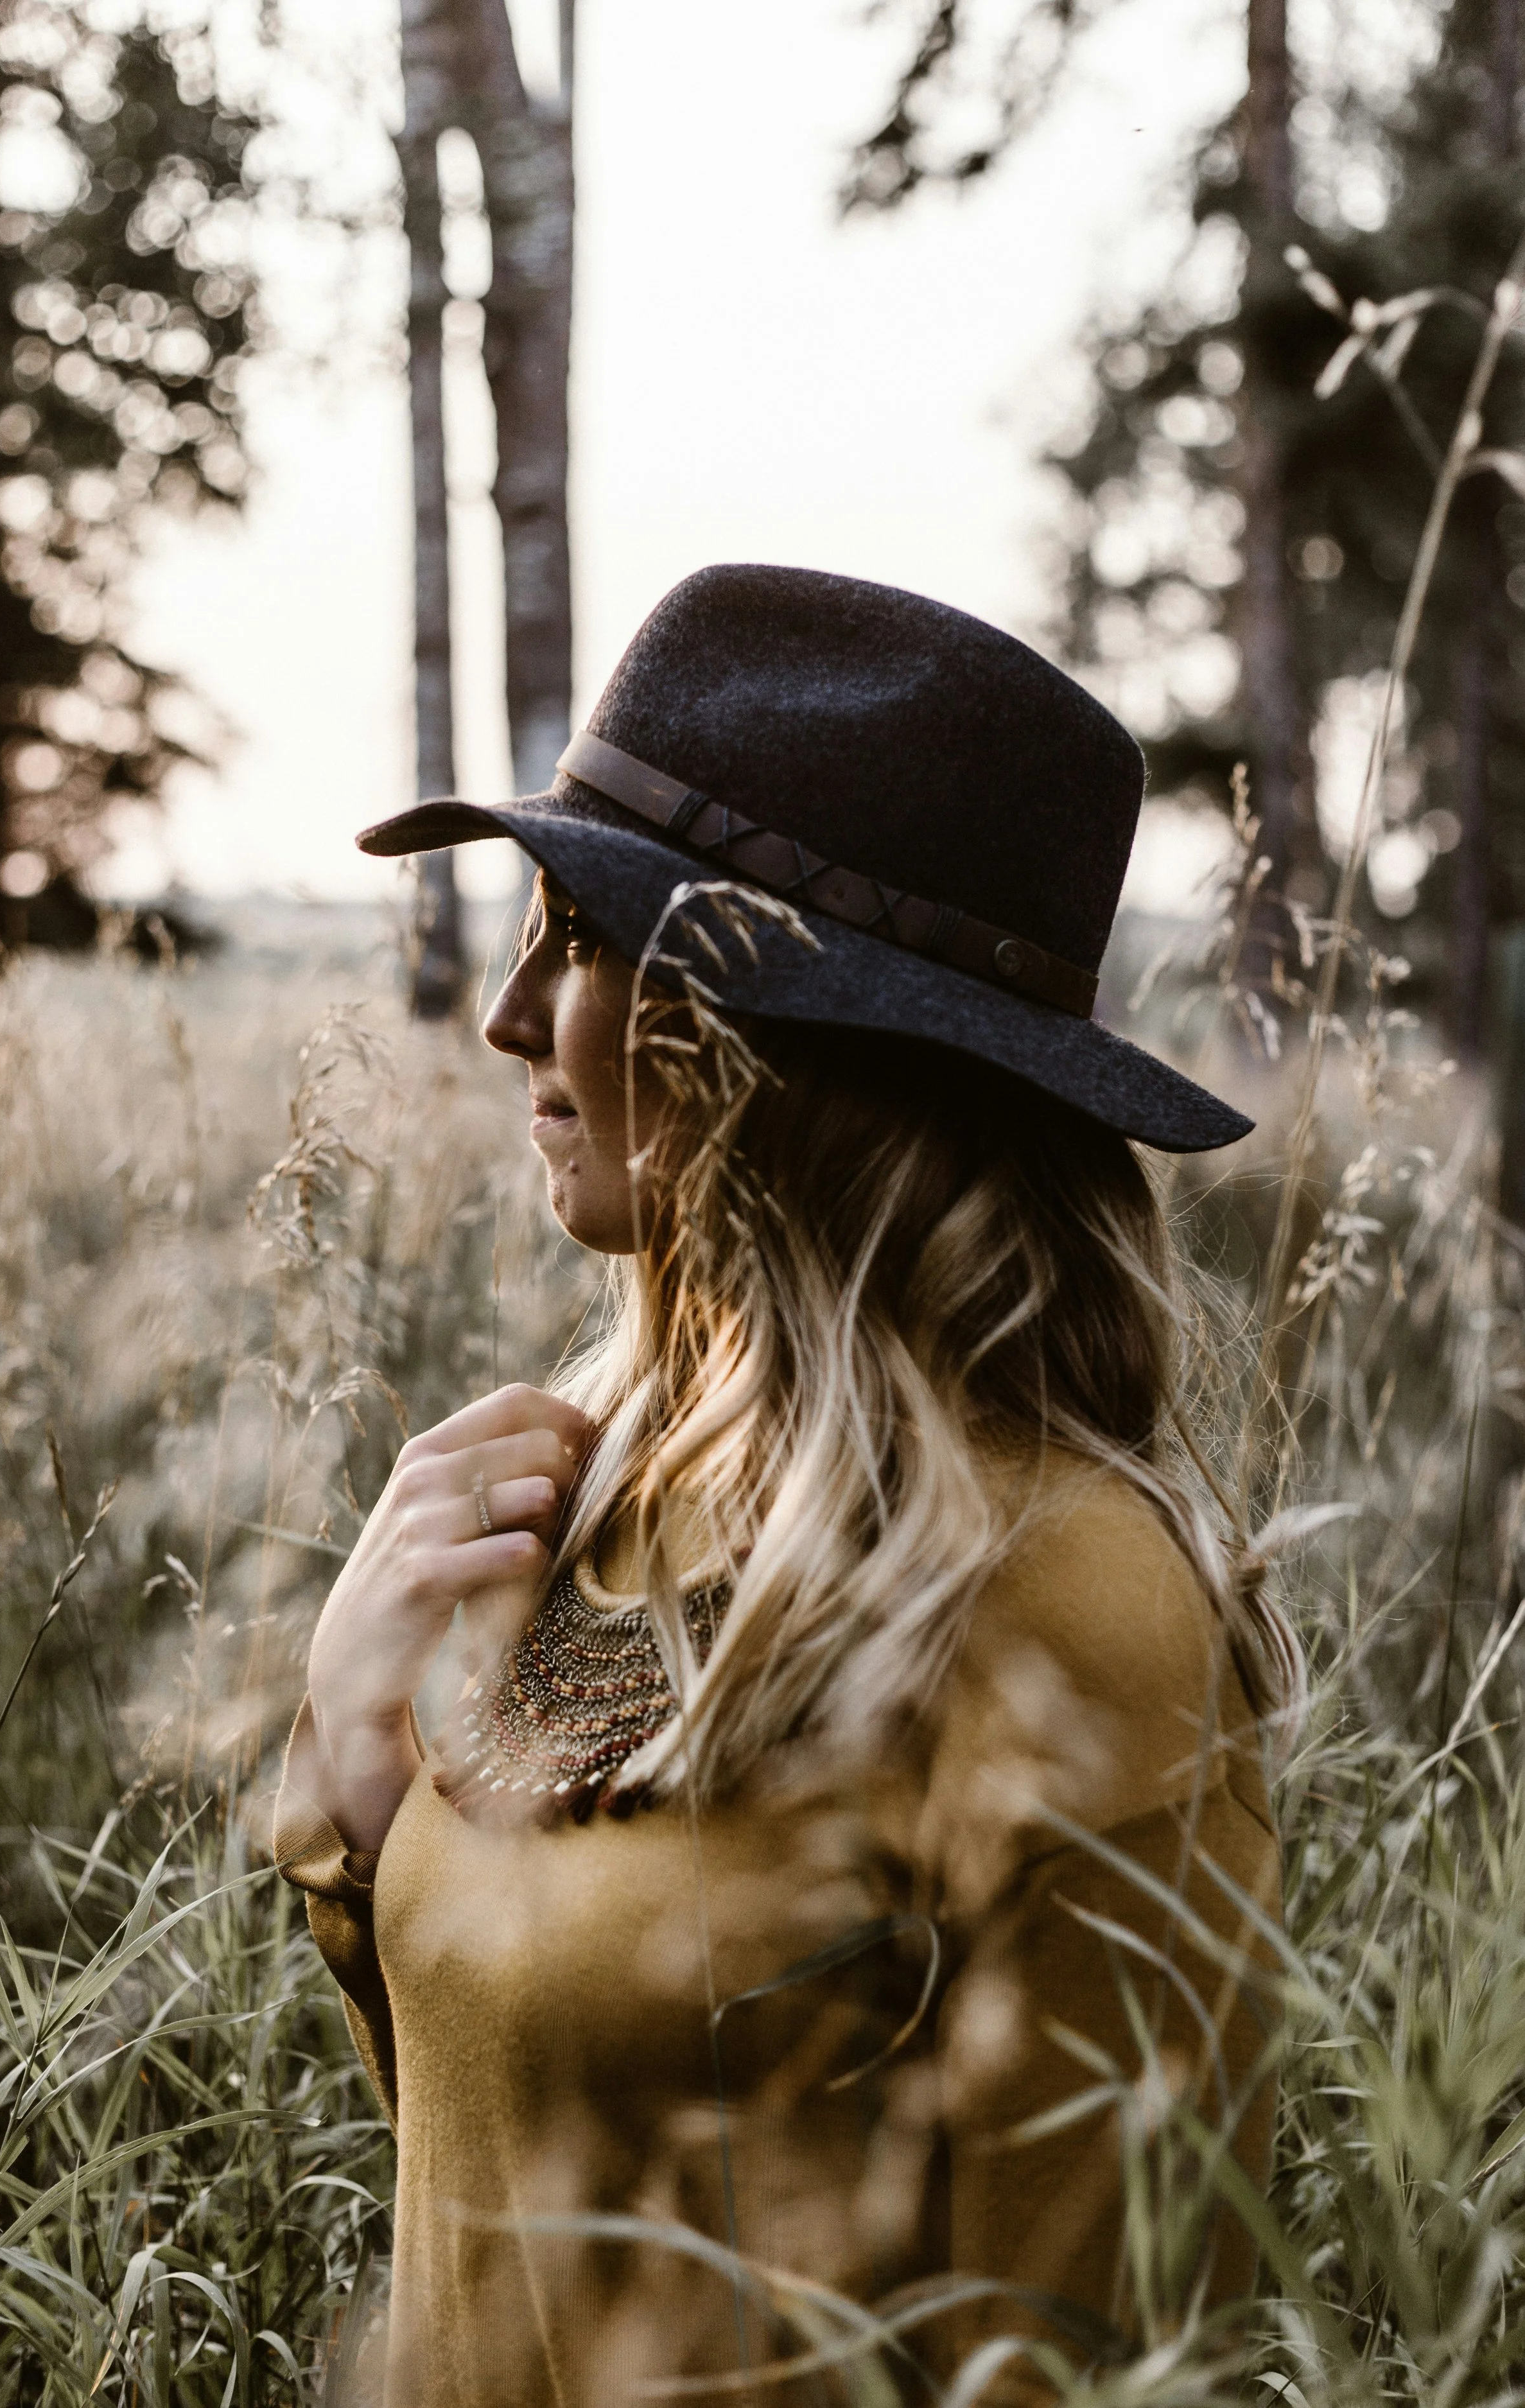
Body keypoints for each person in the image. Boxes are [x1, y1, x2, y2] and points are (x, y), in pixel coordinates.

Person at [275, 565, 1298, 2406]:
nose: (511, 1013)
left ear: (785, 1038)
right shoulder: (586, 1488)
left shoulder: (1071, 1605)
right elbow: (521, 2202)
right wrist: (358, 1779)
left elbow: (1105, 2358)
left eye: (580, 936)